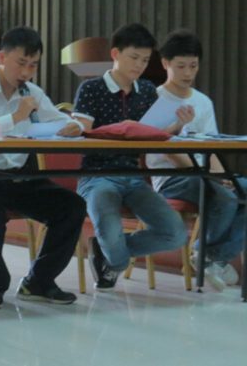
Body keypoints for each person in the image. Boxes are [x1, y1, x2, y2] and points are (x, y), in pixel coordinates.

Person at [0, 27, 86, 309]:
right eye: (21, 63)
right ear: (1, 57)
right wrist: (16, 117)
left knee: (71, 206)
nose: (26, 72)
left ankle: (39, 281)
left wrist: (74, 126)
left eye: (33, 65)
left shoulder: (33, 93)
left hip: (18, 178)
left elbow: (58, 120)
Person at [73, 23, 188, 291]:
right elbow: (82, 134)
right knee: (114, 246)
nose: (139, 65)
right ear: (115, 54)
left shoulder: (147, 90)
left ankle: (107, 251)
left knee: (176, 234)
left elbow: (153, 134)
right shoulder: (91, 88)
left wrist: (176, 126)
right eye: (134, 57)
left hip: (135, 178)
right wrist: (118, 130)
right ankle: (112, 252)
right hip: (97, 176)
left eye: (145, 60)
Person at [145, 29, 244, 290]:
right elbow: (166, 150)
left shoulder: (203, 102)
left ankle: (211, 256)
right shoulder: (154, 99)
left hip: (203, 173)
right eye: (181, 66)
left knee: (239, 189)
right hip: (171, 178)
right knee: (225, 197)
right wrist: (210, 177)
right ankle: (207, 255)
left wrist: (223, 176)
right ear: (165, 64)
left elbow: (211, 146)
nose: (188, 73)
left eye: (193, 66)